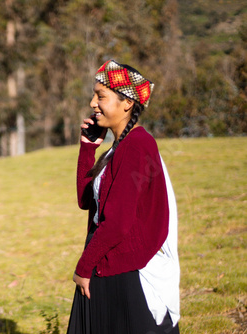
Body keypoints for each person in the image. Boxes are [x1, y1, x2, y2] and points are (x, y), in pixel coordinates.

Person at [67, 60, 180, 333]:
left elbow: (117, 222)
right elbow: (87, 202)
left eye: (101, 96)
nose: (93, 103)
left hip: (125, 272)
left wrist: (83, 268)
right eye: (94, 95)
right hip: (107, 263)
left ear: (126, 103)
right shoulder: (117, 148)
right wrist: (88, 149)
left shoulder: (137, 145)